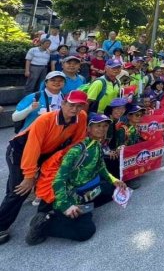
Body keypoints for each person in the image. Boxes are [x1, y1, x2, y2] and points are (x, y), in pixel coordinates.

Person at [0, 90, 88, 245]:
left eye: (79, 106)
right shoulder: (45, 120)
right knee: (20, 189)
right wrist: (29, 176)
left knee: (50, 179)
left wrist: (61, 158)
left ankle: (41, 216)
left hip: (47, 151)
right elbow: (32, 147)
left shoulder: (81, 117)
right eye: (71, 104)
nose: (74, 109)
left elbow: (78, 141)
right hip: (20, 150)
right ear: (62, 103)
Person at [25, 113, 128, 245]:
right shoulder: (77, 150)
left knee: (113, 190)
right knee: (86, 231)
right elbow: (58, 180)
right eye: (97, 126)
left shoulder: (96, 145)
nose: (102, 129)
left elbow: (101, 167)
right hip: (69, 195)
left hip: (86, 189)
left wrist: (114, 180)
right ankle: (46, 223)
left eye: (105, 126)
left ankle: (84, 210)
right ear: (88, 129)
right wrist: (66, 205)